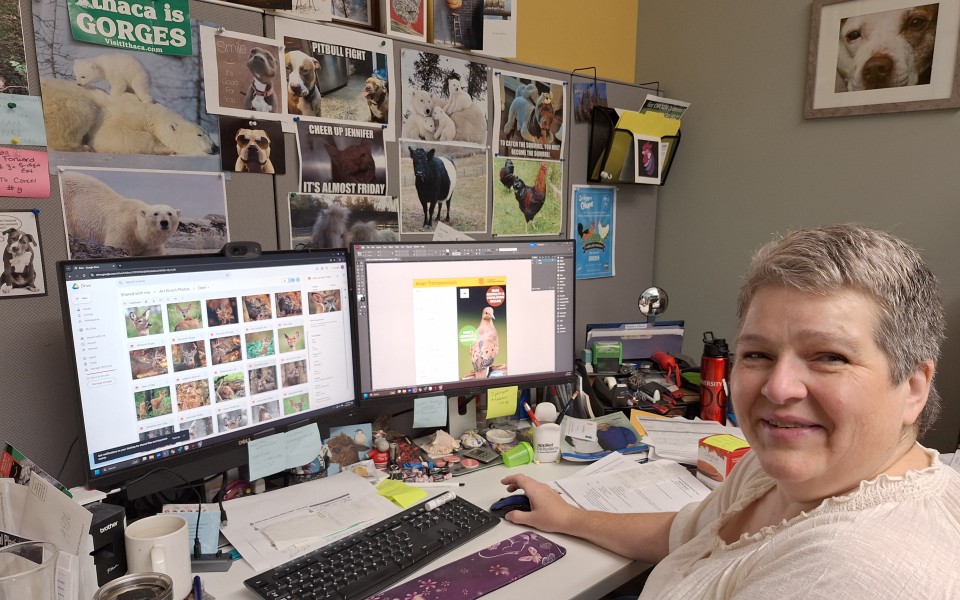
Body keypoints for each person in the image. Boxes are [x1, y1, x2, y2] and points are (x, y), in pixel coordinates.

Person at [502, 224, 960, 599]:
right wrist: (567, 517)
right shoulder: (781, 472)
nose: (778, 388)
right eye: (758, 354)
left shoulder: (855, 572)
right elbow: (690, 533)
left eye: (830, 357)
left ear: (913, 387)